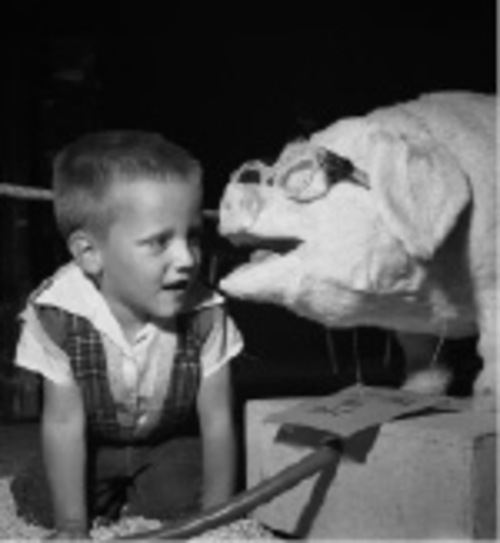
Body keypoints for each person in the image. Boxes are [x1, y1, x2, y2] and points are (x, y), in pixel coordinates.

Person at [13, 131, 243, 539]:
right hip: (92, 443)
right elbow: (64, 421)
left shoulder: (208, 313)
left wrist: (219, 516)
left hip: (166, 440)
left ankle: (139, 495)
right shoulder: (57, 313)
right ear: (89, 254)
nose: (187, 258)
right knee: (46, 503)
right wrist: (72, 524)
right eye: (159, 242)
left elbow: (218, 419)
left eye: (191, 235)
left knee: (184, 497)